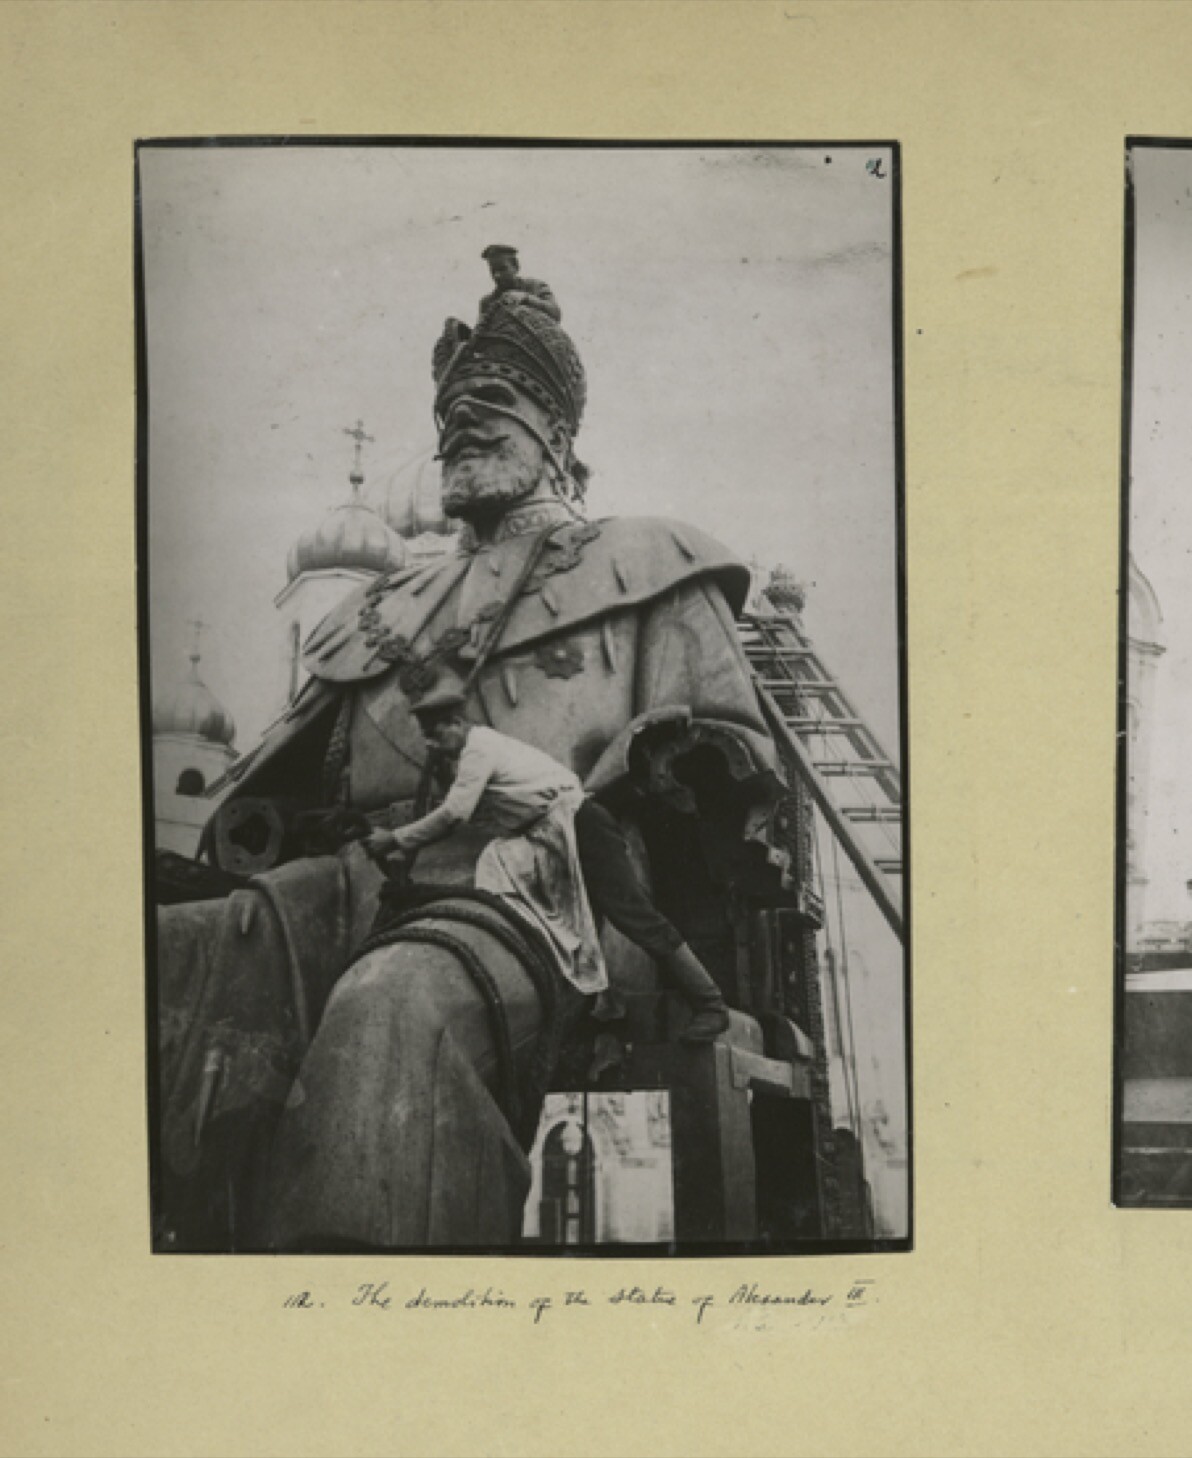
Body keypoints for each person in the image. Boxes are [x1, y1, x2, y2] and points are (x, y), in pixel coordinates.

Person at [161, 255, 787, 1248]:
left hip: (544, 895)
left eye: (494, 397)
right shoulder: (382, 608)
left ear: (559, 437)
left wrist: (672, 753)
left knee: (391, 1010)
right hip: (351, 889)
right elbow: (279, 786)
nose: (463, 420)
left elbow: (731, 742)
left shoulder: (652, 559)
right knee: (154, 965)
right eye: (452, 407)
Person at [364, 672, 732, 1042]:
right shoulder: (467, 756)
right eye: (426, 737)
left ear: (457, 724)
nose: (432, 745)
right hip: (538, 838)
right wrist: (404, 846)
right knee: (537, 919)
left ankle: (710, 1004)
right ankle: (590, 1005)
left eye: (437, 734)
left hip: (579, 824)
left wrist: (395, 839)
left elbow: (454, 814)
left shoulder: (479, 748)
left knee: (632, 914)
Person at [478, 243, 561, 322]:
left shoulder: (535, 286)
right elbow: (482, 332)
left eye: (502, 269)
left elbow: (555, 314)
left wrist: (526, 298)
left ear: (516, 267)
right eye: (493, 271)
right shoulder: (487, 302)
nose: (497, 275)